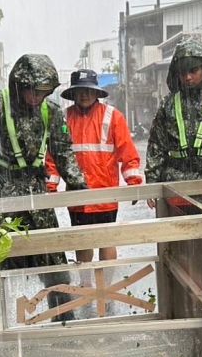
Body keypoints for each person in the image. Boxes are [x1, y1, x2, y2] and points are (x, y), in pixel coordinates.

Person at [0, 54, 87, 321]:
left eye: (43, 93)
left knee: (52, 258)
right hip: (0, 191)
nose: (37, 98)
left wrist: (77, 183)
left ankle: (63, 317)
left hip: (36, 193)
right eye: (33, 91)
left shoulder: (51, 112)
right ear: (20, 85)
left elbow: (63, 151)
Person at [49, 68, 142, 263]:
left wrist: (134, 183)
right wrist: (51, 186)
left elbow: (128, 152)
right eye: (80, 91)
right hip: (77, 196)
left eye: (88, 90)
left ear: (96, 92)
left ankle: (105, 282)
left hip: (105, 194)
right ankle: (87, 282)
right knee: (82, 243)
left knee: (106, 241)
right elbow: (53, 155)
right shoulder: (63, 118)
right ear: (73, 93)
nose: (84, 95)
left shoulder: (113, 116)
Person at [145, 37, 202, 210]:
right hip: (176, 188)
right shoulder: (168, 104)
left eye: (193, 71)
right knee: (180, 227)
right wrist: (151, 182)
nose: (187, 77)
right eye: (182, 72)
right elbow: (156, 145)